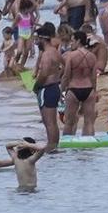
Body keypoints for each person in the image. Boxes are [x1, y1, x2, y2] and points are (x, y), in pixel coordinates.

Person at [32, 23, 63, 151]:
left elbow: (44, 73)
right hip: (54, 86)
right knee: (53, 122)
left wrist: (36, 86)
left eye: (37, 39)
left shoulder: (46, 54)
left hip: (47, 88)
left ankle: (51, 146)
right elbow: (64, 66)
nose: (36, 42)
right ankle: (54, 146)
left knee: (48, 122)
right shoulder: (55, 51)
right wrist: (58, 78)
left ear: (43, 39)